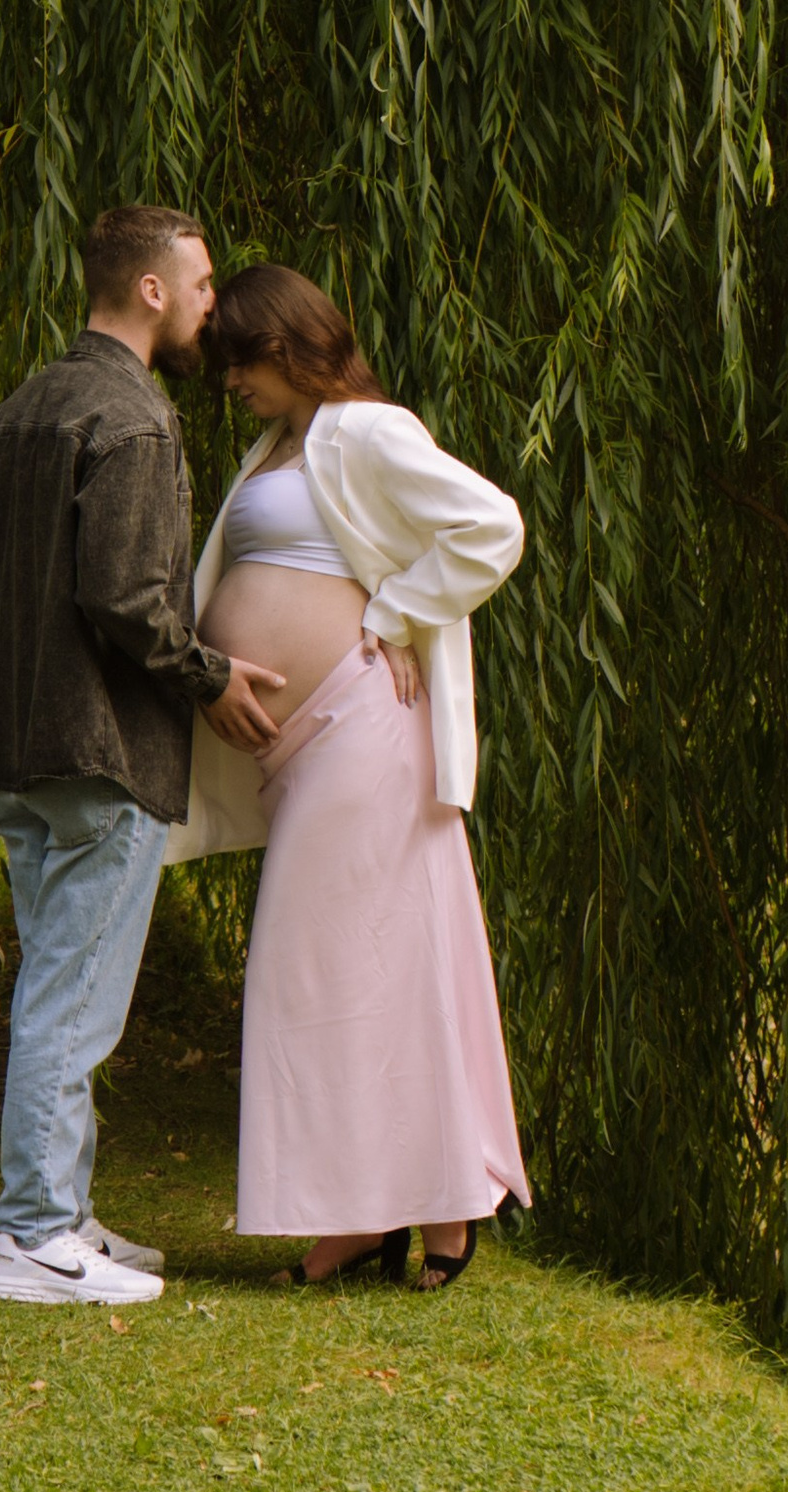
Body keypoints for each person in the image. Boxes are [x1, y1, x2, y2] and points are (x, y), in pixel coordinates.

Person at [165, 264, 528, 1289]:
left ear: (280, 348)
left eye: (235, 359)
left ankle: (425, 1208)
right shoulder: (277, 444)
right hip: (302, 746)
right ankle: (384, 1215)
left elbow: (491, 525)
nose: (224, 379)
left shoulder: (366, 429)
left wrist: (392, 614)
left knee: (321, 967)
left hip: (366, 726)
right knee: (357, 969)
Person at [0, 206, 283, 1306]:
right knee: (76, 999)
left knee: (57, 982)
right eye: (198, 285)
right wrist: (212, 679)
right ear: (148, 291)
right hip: (97, 754)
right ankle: (35, 1236)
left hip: (13, 750)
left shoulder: (19, 410)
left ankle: (66, 1219)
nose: (209, 306)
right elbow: (130, 599)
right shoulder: (132, 421)